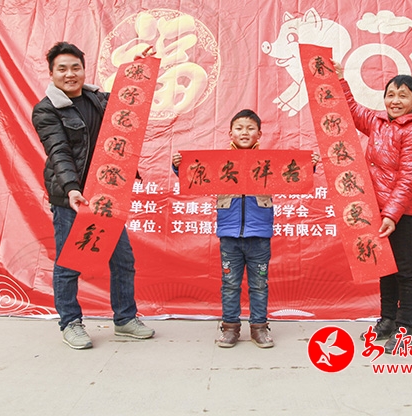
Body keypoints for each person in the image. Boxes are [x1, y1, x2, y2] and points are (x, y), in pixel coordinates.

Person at [32, 41, 155, 349]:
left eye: (75, 67)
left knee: (123, 259)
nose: (70, 74)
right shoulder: (46, 110)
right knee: (69, 262)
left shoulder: (98, 99)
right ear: (51, 73)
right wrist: (72, 189)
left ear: (84, 70)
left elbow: (129, 105)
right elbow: (59, 151)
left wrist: (137, 68)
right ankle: (70, 322)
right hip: (70, 198)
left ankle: (125, 319)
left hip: (106, 195)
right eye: (62, 69)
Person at [172, 109, 319, 348]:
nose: (244, 132)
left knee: (259, 284)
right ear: (230, 133)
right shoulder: (220, 162)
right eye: (239, 128)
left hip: (259, 234)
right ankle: (230, 328)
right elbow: (196, 175)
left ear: (259, 134)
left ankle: (259, 328)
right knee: (230, 284)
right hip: (229, 234)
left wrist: (308, 167)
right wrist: (179, 166)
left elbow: (292, 175)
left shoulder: (269, 163)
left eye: (250, 128)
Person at [332, 61, 412, 354]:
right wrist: (340, 80)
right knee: (385, 268)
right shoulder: (377, 122)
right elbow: (350, 110)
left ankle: (405, 327)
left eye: (403, 95)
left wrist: (391, 214)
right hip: (374, 210)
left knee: (405, 270)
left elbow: (409, 179)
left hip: (402, 214)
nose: (395, 101)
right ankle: (387, 320)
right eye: (391, 95)